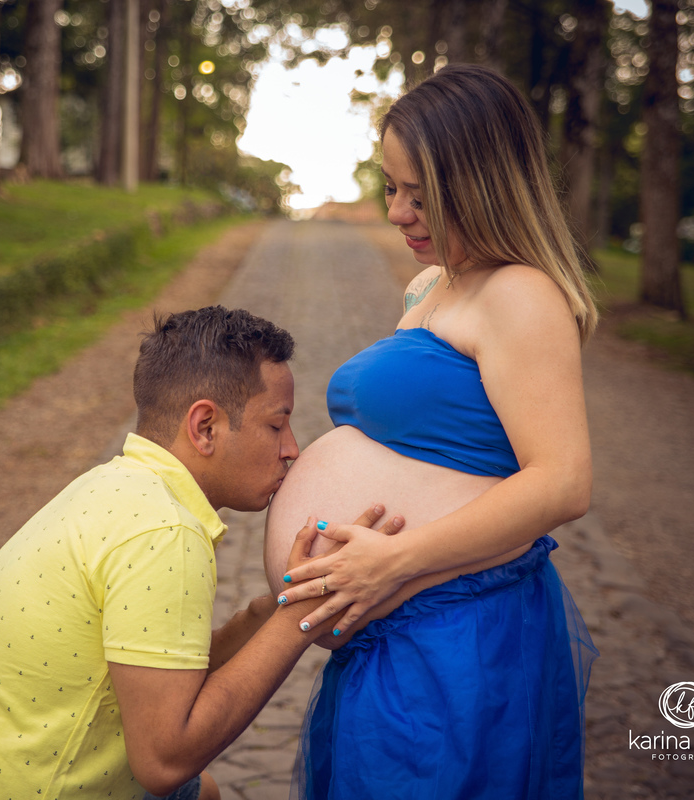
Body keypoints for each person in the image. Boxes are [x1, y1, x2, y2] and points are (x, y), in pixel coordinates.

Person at [0, 305, 401, 800]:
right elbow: (164, 762)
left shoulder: (110, 487)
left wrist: (274, 607)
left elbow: (165, 673)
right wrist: (300, 620)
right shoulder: (164, 533)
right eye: (275, 423)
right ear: (205, 427)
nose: (292, 447)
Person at [264, 64, 600, 799]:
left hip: (460, 630)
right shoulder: (433, 285)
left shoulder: (522, 295)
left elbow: (563, 481)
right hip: (396, 629)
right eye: (392, 187)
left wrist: (394, 562)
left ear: (483, 185)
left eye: (423, 195)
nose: (398, 213)